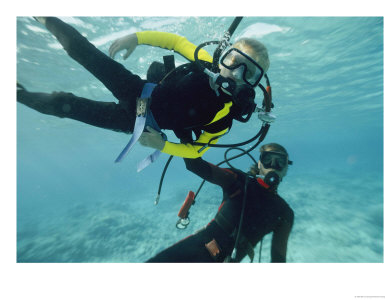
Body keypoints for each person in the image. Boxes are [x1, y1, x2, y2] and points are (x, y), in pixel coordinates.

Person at [17, 17, 270, 166]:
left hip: (139, 123)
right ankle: (43, 15)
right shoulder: (205, 61)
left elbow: (197, 150)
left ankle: (16, 93)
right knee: (82, 51)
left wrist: (164, 144)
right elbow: (177, 42)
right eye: (234, 61)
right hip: (137, 89)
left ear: (255, 83)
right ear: (223, 56)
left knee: (63, 104)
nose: (236, 73)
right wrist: (137, 37)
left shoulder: (225, 118)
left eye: (250, 72)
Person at [146, 143, 294, 263]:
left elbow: (278, 261)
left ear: (287, 168)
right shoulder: (238, 180)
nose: (273, 165)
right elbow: (194, 165)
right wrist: (184, 132)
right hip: (193, 250)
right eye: (268, 159)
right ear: (260, 163)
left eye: (280, 162)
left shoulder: (285, 213)